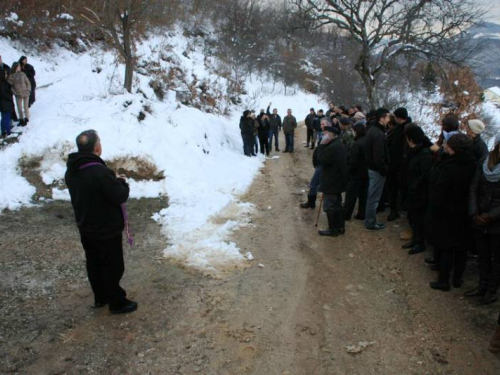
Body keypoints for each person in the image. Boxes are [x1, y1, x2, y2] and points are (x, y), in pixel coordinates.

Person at [65, 130, 138, 314]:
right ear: (97, 147)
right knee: (113, 266)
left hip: (86, 226)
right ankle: (117, 302)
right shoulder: (99, 171)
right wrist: (122, 183)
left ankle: (101, 297)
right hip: (106, 229)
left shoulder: (72, 170)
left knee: (94, 263)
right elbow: (119, 195)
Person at [428, 134, 476, 291]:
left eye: (448, 145)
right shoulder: (474, 164)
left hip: (448, 212)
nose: (445, 146)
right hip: (466, 212)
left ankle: (443, 280)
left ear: (454, 148)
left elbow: (440, 191)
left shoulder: (449, 167)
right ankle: (457, 278)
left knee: (447, 247)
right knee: (461, 247)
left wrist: (434, 210)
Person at [466, 134, 500, 304]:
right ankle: (481, 286)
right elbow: (473, 188)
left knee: (496, 260)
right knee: (483, 256)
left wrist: (490, 216)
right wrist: (474, 212)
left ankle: (491, 291)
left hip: (495, 223)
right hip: (479, 218)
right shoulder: (485, 163)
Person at [402, 124, 433, 255]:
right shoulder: (415, 150)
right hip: (412, 191)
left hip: (420, 193)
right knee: (414, 218)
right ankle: (415, 239)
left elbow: (424, 175)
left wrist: (414, 186)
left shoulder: (425, 154)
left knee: (419, 219)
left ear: (411, 139)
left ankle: (419, 242)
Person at [316, 120, 348, 236]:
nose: (323, 136)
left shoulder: (332, 147)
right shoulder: (338, 144)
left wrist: (321, 146)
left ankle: (333, 229)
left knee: (330, 206)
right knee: (337, 205)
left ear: (330, 135)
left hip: (332, 181)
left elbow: (321, 159)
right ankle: (340, 227)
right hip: (337, 180)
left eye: (325, 134)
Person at [364, 108, 391, 231]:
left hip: (373, 169)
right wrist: (384, 169)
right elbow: (378, 156)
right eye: (387, 117)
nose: (389, 119)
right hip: (376, 171)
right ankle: (370, 222)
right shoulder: (377, 133)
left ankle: (371, 220)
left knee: (372, 196)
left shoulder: (373, 130)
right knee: (374, 197)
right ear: (381, 118)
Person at [386, 107, 412, 221]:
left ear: (399, 118)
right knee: (394, 187)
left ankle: (398, 209)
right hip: (395, 163)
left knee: (399, 187)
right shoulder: (398, 128)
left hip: (402, 164)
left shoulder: (408, 129)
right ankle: (395, 209)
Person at [300, 117, 329, 209]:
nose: (322, 126)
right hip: (319, 164)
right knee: (314, 184)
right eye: (321, 124)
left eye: (324, 124)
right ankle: (311, 202)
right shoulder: (324, 135)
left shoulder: (329, 136)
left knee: (314, 184)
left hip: (323, 165)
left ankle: (312, 203)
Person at [343, 122, 368, 221]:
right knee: (363, 195)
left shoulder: (357, 144)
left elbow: (353, 161)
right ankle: (362, 214)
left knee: (350, 196)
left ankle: (346, 215)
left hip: (356, 174)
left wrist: (349, 171)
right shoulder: (367, 141)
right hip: (366, 172)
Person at [7, 62, 31, 126]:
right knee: (19, 108)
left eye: (20, 66)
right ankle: (21, 119)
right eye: (18, 66)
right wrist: (15, 93)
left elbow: (28, 82)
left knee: (25, 106)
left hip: (26, 92)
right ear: (15, 67)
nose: (20, 67)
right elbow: (10, 87)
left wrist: (28, 90)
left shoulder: (23, 74)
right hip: (18, 94)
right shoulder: (12, 76)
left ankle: (27, 118)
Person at [0, 57, 14, 137]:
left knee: (4, 116)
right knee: (6, 115)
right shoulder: (3, 82)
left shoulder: (5, 67)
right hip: (5, 98)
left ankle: (3, 132)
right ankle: (8, 132)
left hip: (5, 97)